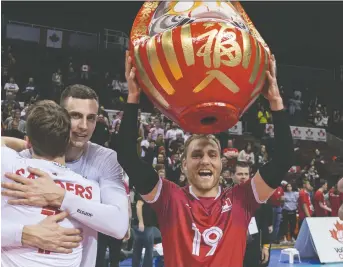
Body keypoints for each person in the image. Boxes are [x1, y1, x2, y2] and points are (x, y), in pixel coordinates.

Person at [116, 51, 294, 267]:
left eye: (212, 154)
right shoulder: (170, 199)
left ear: (221, 163)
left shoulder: (242, 198)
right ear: (184, 165)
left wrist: (275, 101)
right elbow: (126, 156)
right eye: (196, 155)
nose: (205, 161)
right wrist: (133, 97)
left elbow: (284, 158)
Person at [1, 84, 129, 262]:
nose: (84, 126)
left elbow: (119, 225)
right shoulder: (20, 160)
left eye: (91, 118)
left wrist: (62, 198)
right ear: (61, 116)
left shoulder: (105, 159)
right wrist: (23, 234)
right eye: (75, 116)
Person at [1, 100, 99, 266]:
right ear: (68, 139)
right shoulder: (91, 189)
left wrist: (27, 143)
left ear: (29, 140)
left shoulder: (7, 164)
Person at [231, 162, 273, 267]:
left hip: (253, 248)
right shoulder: (225, 197)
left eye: (246, 174)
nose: (243, 177)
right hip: (232, 248)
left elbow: (264, 225)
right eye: (240, 174)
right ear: (232, 176)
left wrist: (266, 247)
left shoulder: (257, 198)